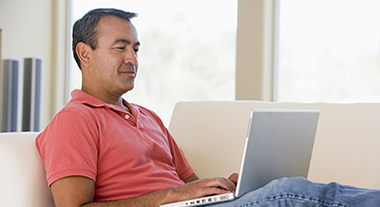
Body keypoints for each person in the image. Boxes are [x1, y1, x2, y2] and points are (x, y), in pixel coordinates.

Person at [36, 8, 380, 207]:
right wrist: (173, 195)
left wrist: (226, 188)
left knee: (285, 185)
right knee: (289, 194)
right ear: (85, 54)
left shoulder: (148, 116)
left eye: (136, 49)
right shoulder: (74, 121)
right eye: (120, 47)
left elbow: (191, 185)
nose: (132, 59)